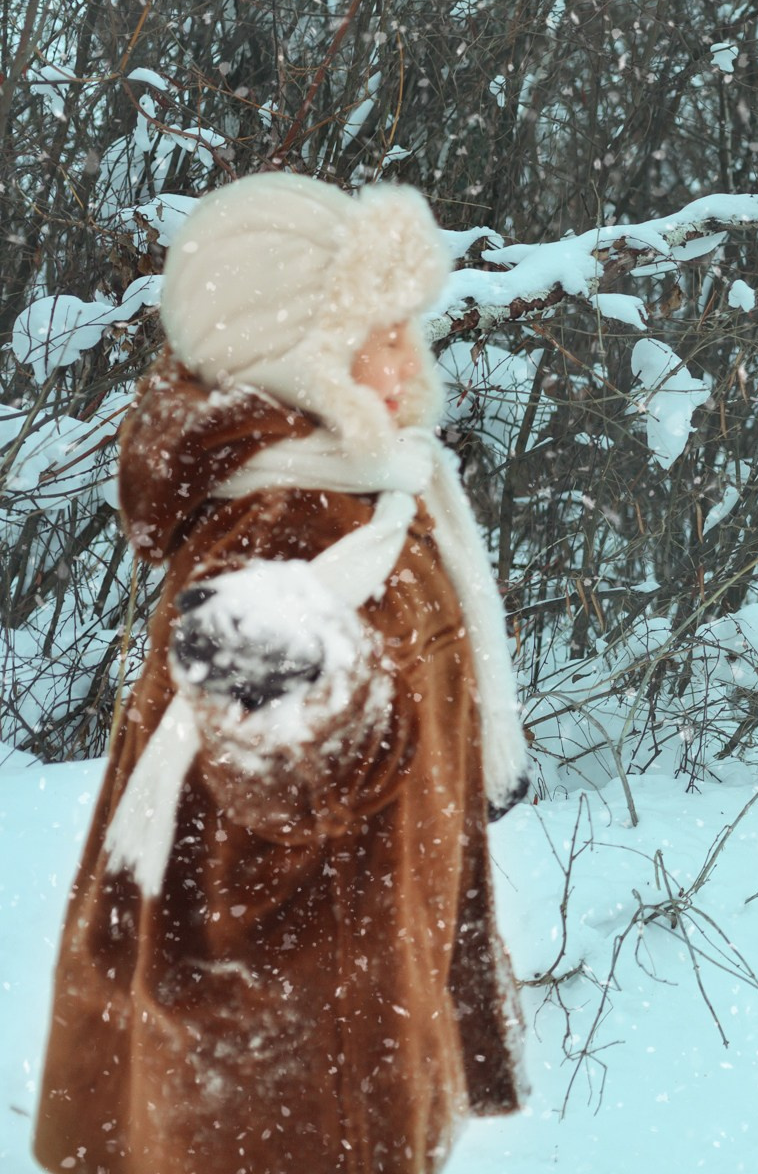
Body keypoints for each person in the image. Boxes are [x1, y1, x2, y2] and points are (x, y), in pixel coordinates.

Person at [36, 173, 529, 1174]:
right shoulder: (285, 524)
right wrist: (295, 692)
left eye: (406, 330)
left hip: (333, 987)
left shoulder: (365, 488)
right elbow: (287, 779)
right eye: (375, 334)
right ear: (291, 359)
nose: (406, 360)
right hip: (285, 1019)